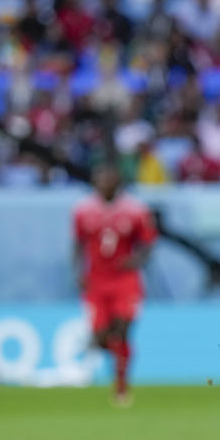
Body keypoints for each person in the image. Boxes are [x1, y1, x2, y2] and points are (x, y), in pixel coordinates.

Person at [73, 163, 157, 405]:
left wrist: (137, 260)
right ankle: (123, 355)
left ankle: (121, 385)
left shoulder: (135, 210)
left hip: (124, 280)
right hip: (97, 281)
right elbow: (77, 244)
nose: (103, 184)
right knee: (101, 338)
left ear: (117, 182)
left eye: (108, 179)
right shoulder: (83, 211)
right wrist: (78, 272)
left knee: (121, 329)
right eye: (99, 179)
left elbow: (148, 243)